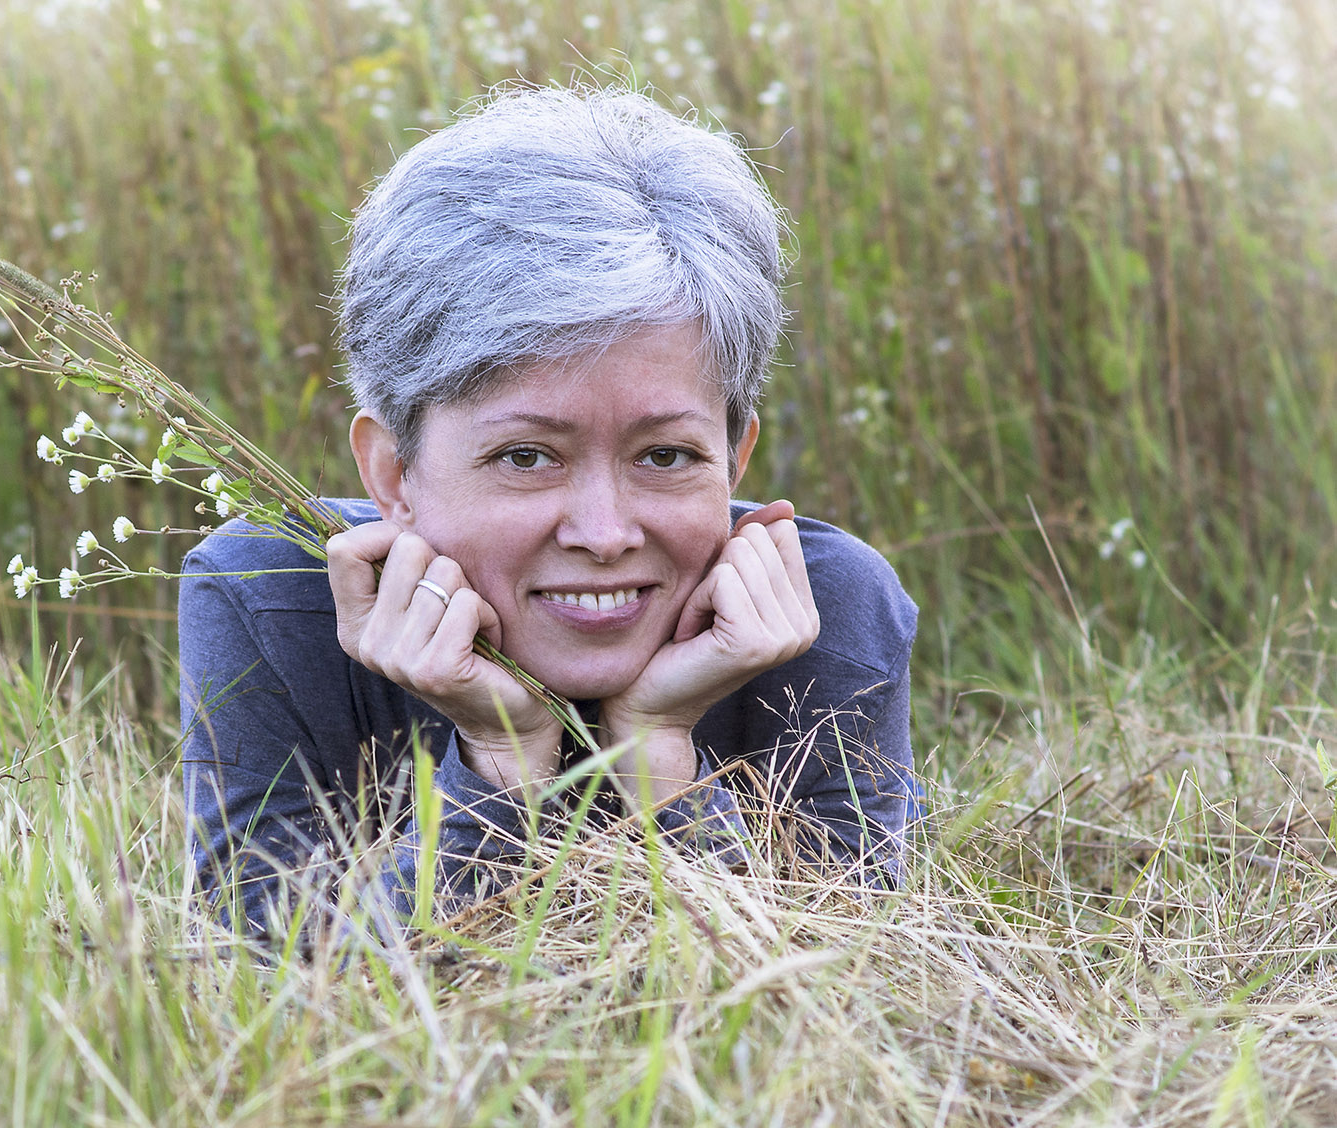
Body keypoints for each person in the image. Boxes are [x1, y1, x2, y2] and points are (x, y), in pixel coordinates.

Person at [179, 86, 918, 940]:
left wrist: (658, 757)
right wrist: (500, 764)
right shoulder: (274, 593)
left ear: (734, 456)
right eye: (525, 457)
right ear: (392, 472)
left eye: (664, 456)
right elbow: (263, 963)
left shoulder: (824, 612)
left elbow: (842, 980)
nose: (604, 535)